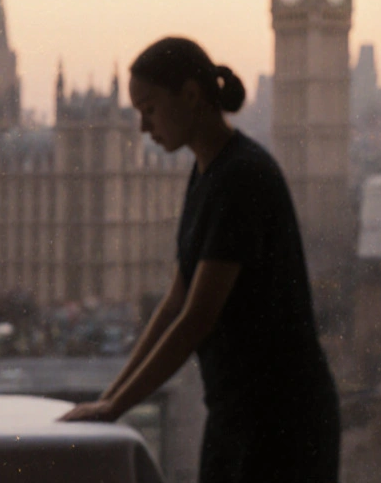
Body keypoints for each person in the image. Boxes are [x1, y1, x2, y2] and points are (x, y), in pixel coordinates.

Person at [61, 37, 340, 483]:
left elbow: (196, 318)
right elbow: (175, 300)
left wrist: (116, 406)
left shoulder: (241, 178)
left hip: (280, 420)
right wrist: (108, 398)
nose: (142, 127)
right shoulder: (207, 172)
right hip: (238, 412)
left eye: (149, 109)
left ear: (191, 96)